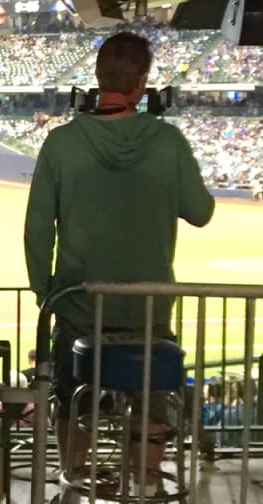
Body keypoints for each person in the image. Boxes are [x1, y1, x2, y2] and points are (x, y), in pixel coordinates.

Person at [24, 31, 215, 491]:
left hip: (77, 305)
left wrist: (45, 292)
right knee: (150, 402)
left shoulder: (61, 143)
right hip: (149, 309)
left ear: (97, 77)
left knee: (72, 399)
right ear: (142, 82)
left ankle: (75, 480)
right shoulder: (169, 141)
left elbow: (36, 229)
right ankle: (145, 486)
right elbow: (201, 211)